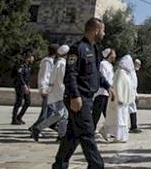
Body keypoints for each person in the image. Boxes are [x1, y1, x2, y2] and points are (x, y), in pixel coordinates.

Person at [52, 17, 114, 169]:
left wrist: (108, 86)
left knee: (73, 135)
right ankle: (97, 165)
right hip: (79, 98)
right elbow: (70, 74)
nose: (104, 34)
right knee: (87, 134)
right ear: (96, 30)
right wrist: (75, 96)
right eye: (103, 30)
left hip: (86, 97)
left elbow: (96, 73)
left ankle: (60, 165)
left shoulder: (94, 49)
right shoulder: (77, 48)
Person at [31, 45, 70, 142]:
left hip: (58, 92)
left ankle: (61, 135)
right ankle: (39, 128)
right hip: (60, 93)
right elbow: (60, 80)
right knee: (60, 114)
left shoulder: (59, 63)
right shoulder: (62, 65)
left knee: (63, 115)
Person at [100, 54, 136, 143]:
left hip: (124, 101)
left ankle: (119, 135)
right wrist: (119, 98)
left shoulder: (125, 73)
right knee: (118, 118)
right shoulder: (120, 72)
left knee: (121, 118)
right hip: (119, 100)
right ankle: (117, 136)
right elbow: (118, 86)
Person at [29, 44, 58, 132]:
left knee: (49, 112)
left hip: (51, 90)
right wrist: (43, 89)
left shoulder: (52, 61)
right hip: (47, 90)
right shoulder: (47, 62)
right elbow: (44, 76)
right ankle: (36, 128)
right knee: (47, 112)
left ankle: (36, 127)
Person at [93, 48, 115, 129]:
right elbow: (103, 77)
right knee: (97, 113)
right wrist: (108, 87)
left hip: (107, 92)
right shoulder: (103, 64)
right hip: (101, 92)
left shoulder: (110, 65)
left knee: (107, 112)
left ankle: (111, 129)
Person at [12, 53, 35, 125]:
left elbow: (27, 77)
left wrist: (28, 86)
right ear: (28, 58)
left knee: (28, 102)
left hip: (26, 86)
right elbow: (19, 76)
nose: (33, 59)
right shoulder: (21, 66)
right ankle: (14, 119)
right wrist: (24, 85)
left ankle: (19, 117)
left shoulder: (28, 66)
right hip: (20, 86)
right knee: (18, 102)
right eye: (32, 58)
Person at [128, 58, 141, 133]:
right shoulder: (130, 72)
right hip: (129, 93)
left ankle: (134, 126)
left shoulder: (134, 72)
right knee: (130, 109)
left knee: (133, 109)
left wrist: (136, 94)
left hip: (133, 93)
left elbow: (134, 85)